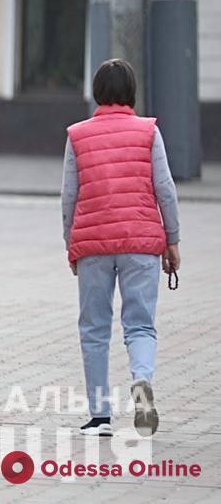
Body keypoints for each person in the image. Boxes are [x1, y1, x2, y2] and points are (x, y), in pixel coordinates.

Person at [62, 59, 181, 438]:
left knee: (95, 329)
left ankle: (100, 417)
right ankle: (141, 383)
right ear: (132, 91)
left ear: (97, 91)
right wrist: (172, 240)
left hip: (93, 244)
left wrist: (72, 245)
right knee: (140, 324)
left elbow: (69, 196)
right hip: (142, 244)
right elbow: (165, 189)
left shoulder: (78, 135)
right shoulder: (148, 132)